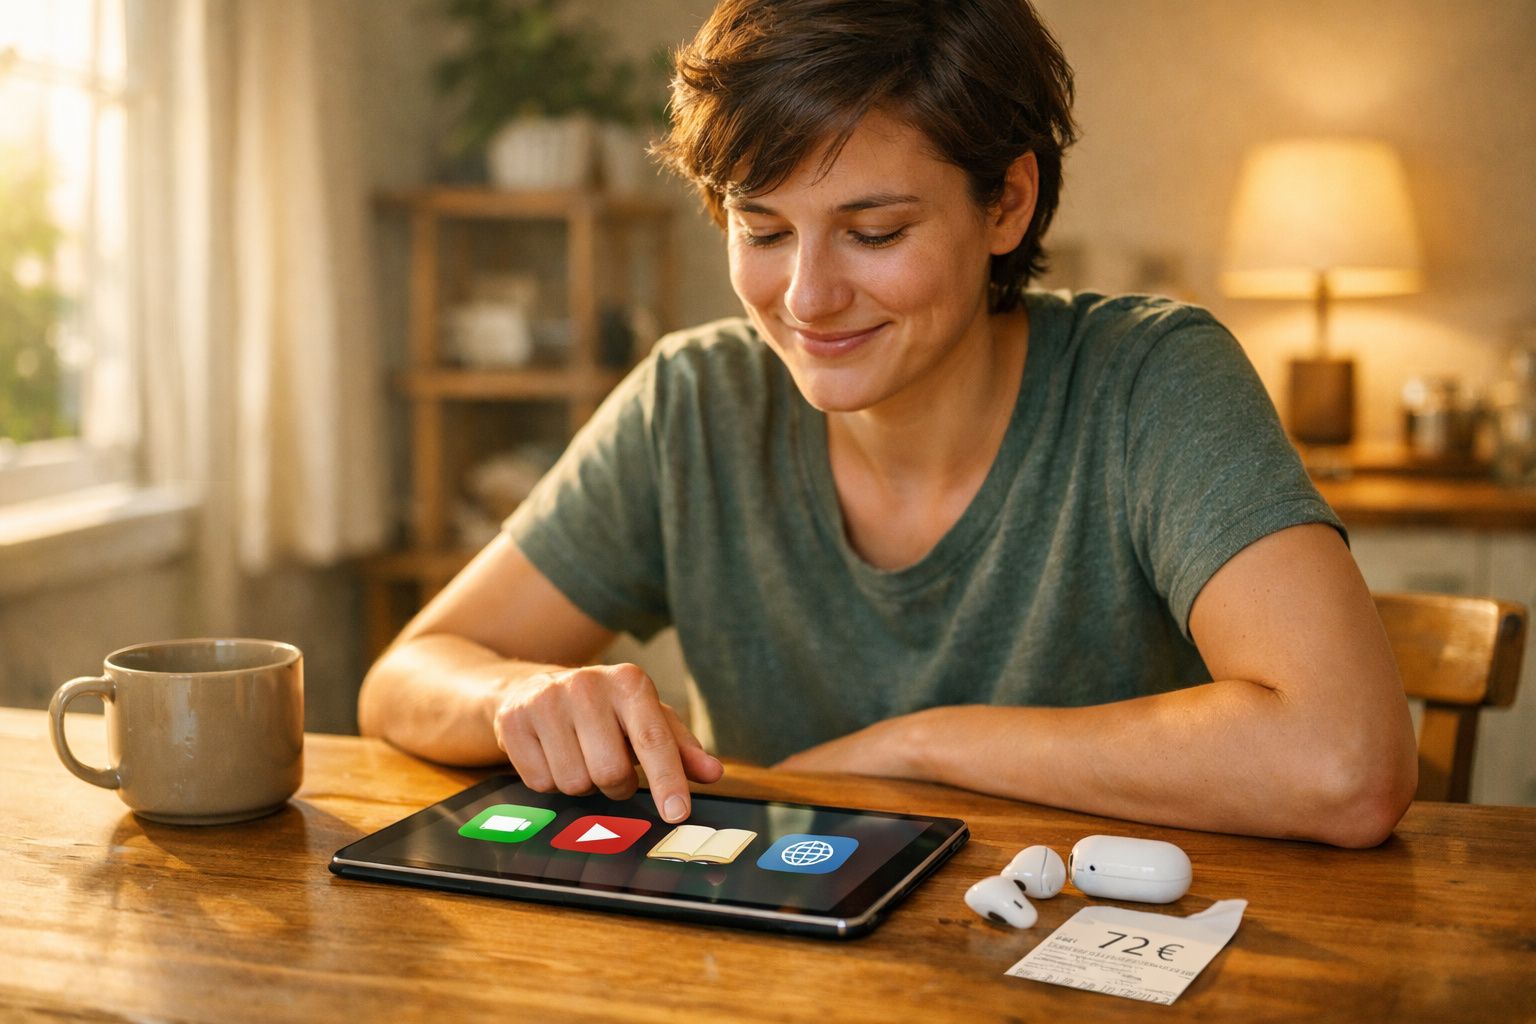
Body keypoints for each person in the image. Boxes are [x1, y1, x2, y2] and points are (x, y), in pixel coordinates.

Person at [359, 0, 1418, 848]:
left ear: (1006, 202)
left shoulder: (1152, 380)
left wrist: (918, 746)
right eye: (761, 229)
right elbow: (406, 677)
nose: (807, 297)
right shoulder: (694, 402)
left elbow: (1345, 762)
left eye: (873, 231)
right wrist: (522, 692)